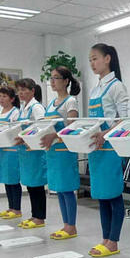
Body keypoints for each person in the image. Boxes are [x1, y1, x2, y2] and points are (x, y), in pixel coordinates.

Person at [87, 43, 129, 257]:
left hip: (111, 149)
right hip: (96, 149)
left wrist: (105, 134)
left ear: (107, 58)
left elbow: (123, 120)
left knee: (113, 195)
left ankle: (113, 241)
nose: (92, 63)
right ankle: (105, 238)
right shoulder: (95, 89)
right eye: (90, 60)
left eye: (95, 58)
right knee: (102, 196)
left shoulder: (116, 86)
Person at [40, 66, 81, 240]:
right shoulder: (51, 103)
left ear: (66, 81)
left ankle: (71, 226)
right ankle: (66, 225)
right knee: (59, 189)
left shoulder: (71, 101)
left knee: (67, 188)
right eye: (51, 78)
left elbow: (72, 127)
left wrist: (55, 136)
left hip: (65, 151)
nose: (52, 81)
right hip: (52, 151)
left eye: (56, 78)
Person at [15, 78, 47, 229]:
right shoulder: (24, 108)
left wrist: (30, 139)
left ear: (32, 91)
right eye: (19, 90)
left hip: (35, 152)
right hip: (26, 152)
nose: (20, 93)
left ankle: (40, 217)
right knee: (30, 185)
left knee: (37, 185)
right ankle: (34, 215)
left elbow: (43, 127)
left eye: (24, 90)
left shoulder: (36, 107)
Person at [0, 86, 21, 220]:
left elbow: (16, 131)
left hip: (11, 150)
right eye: (0, 96)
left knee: (13, 179)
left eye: (4, 96)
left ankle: (17, 209)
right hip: (0, 150)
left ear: (12, 99)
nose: (1, 99)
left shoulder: (16, 113)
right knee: (6, 179)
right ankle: (10, 207)